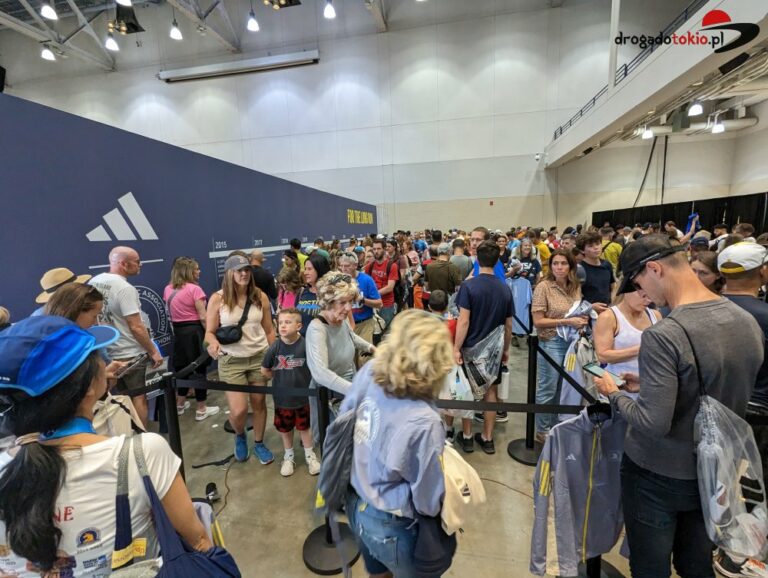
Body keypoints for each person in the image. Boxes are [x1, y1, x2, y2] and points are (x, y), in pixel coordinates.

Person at [594, 234, 764, 578]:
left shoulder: (664, 333)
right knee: (695, 562)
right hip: (716, 471)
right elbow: (718, 386)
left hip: (658, 471)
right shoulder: (745, 321)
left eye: (638, 282)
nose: (641, 292)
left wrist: (614, 393)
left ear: (654, 269)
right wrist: (651, 385)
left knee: (650, 566)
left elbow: (653, 422)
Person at [0, 316, 213, 575]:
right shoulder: (142, 454)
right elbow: (199, 542)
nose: (105, 362)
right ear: (89, 385)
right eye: (98, 357)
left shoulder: (7, 469)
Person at [343, 310, 452, 578]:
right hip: (393, 521)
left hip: (357, 502)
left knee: (377, 572)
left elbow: (344, 423)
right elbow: (427, 499)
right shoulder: (425, 421)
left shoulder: (369, 372)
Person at [205, 255, 276, 464]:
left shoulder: (260, 296)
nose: (244, 274)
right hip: (231, 361)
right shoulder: (218, 298)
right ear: (229, 273)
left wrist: (274, 356)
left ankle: (259, 443)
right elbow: (209, 332)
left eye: (246, 269)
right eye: (238, 270)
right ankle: (240, 435)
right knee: (239, 411)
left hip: (259, 357)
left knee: (259, 404)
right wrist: (212, 344)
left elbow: (269, 330)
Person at [89, 247, 163, 427]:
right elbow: (136, 326)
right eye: (137, 261)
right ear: (123, 264)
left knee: (115, 398)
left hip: (106, 352)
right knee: (139, 397)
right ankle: (141, 435)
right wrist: (153, 351)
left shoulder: (94, 281)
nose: (140, 265)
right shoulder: (125, 289)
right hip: (130, 354)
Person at [454, 241, 513, 454]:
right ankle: (488, 438)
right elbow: (508, 325)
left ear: (477, 259)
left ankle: (468, 436)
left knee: (468, 391)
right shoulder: (505, 288)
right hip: (495, 350)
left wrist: (456, 348)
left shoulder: (469, 286)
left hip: (469, 347)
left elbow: (463, 321)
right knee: (491, 392)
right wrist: (506, 349)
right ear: (497, 261)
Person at [305, 272, 375, 443]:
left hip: (348, 380)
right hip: (329, 394)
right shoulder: (317, 329)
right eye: (342, 302)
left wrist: (371, 348)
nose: (349, 308)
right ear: (328, 302)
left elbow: (351, 336)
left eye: (350, 302)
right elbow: (321, 373)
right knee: (335, 443)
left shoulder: (340, 320)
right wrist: (355, 390)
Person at [531, 250, 586, 441]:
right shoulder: (544, 287)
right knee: (548, 388)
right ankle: (542, 430)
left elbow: (577, 310)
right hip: (551, 342)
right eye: (555, 263)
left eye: (563, 263)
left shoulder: (575, 286)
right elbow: (538, 321)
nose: (559, 267)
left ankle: (556, 426)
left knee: (564, 387)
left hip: (572, 342)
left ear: (571, 266)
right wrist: (567, 321)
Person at [260, 308, 321, 477]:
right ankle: (289, 456)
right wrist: (278, 378)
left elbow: (316, 367)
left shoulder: (306, 345)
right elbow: (264, 369)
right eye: (280, 323)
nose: (282, 326)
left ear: (299, 326)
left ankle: (310, 455)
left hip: (304, 398)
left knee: (305, 427)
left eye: (287, 322)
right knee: (285, 429)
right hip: (282, 399)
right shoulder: (275, 347)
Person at [164, 257, 218, 421]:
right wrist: (211, 334)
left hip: (179, 333)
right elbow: (203, 317)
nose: (199, 271)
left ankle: (180, 405)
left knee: (182, 370)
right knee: (199, 370)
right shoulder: (195, 290)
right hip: (195, 333)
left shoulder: (168, 289)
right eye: (196, 269)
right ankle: (201, 409)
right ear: (188, 271)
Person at [593, 290, 660, 398]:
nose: (648, 300)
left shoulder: (655, 315)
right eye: (643, 295)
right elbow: (603, 356)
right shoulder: (608, 317)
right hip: (620, 389)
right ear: (627, 291)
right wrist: (642, 349)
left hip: (649, 387)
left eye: (650, 295)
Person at [339, 253, 382, 347]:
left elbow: (379, 304)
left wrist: (362, 300)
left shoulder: (366, 280)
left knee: (364, 354)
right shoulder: (339, 282)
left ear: (355, 265)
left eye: (347, 266)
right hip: (346, 325)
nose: (343, 269)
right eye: (341, 266)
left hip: (365, 324)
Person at [577, 232, 615, 314]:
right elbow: (575, 296)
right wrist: (590, 307)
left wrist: (612, 302)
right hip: (588, 313)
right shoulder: (579, 269)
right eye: (590, 246)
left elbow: (613, 286)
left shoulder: (607, 265)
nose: (596, 248)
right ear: (582, 250)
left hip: (607, 310)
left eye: (598, 244)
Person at [365, 239, 399, 328]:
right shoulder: (369, 266)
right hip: (372, 304)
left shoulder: (392, 266)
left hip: (386, 305)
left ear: (384, 249)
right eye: (374, 249)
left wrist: (374, 294)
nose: (376, 251)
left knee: (387, 331)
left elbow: (390, 287)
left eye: (379, 249)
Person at [296, 253, 332, 337]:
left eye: (309, 269)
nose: (305, 272)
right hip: (304, 342)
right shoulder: (302, 292)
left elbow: (348, 323)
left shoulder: (331, 293)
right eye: (305, 269)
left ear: (319, 270)